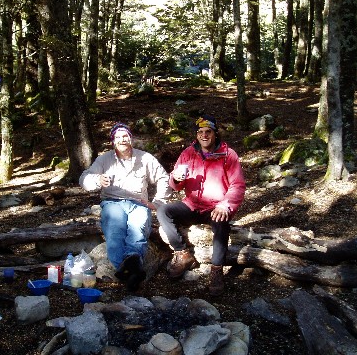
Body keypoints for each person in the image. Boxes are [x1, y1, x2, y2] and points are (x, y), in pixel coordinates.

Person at [156, 115, 246, 296]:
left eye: (208, 132)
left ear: (215, 133)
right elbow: (175, 183)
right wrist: (175, 178)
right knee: (164, 210)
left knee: (221, 223)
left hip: (216, 206)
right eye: (200, 132)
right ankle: (183, 253)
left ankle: (216, 269)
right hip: (192, 204)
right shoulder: (188, 153)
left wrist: (225, 205)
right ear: (196, 135)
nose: (204, 135)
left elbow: (238, 185)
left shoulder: (228, 155)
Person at [79, 122, 171, 291]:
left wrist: (157, 202)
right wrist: (97, 180)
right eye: (118, 137)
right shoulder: (104, 159)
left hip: (138, 203)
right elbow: (84, 178)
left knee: (140, 226)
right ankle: (132, 269)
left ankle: (127, 269)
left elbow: (164, 178)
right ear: (113, 141)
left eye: (125, 136)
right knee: (115, 230)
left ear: (131, 138)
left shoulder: (145, 158)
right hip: (113, 202)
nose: (122, 139)